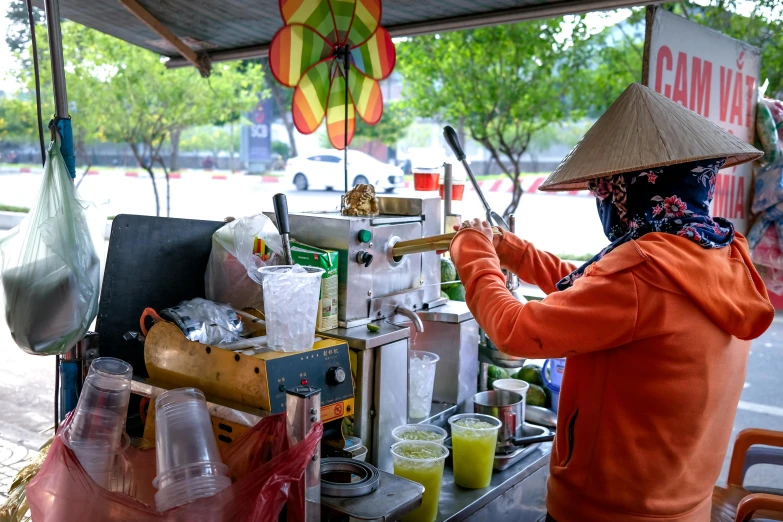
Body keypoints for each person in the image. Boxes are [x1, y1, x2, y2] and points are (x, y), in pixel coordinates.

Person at [448, 84, 773, 522]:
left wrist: (473, 251)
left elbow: (515, 330)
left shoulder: (642, 272)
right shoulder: (718, 251)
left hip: (606, 511)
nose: (603, 206)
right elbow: (592, 288)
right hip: (686, 506)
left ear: (627, 193)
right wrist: (512, 251)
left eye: (605, 194)